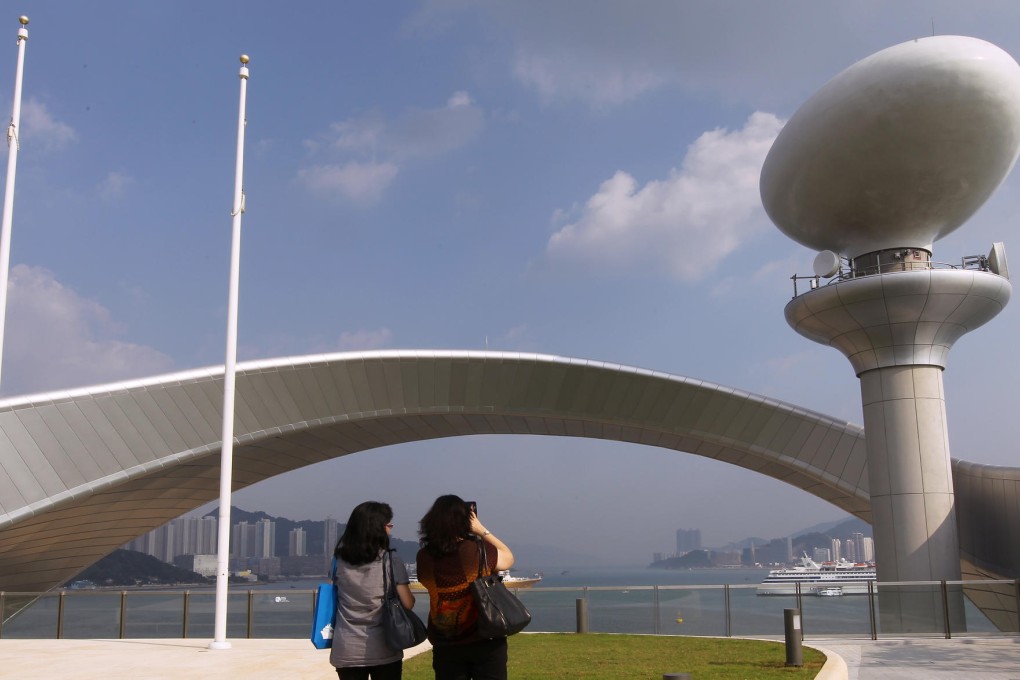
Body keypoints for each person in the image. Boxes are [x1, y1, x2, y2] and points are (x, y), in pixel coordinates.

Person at [416, 494, 515, 680]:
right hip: (485, 636)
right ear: (466, 520)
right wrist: (481, 530)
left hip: (445, 639)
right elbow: (508, 558)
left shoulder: (423, 557)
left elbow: (427, 582)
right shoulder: (477, 550)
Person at [330, 501, 416, 680]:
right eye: (388, 524)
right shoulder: (390, 560)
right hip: (384, 647)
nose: (390, 528)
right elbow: (408, 603)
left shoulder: (338, 560)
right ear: (378, 528)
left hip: (346, 648)